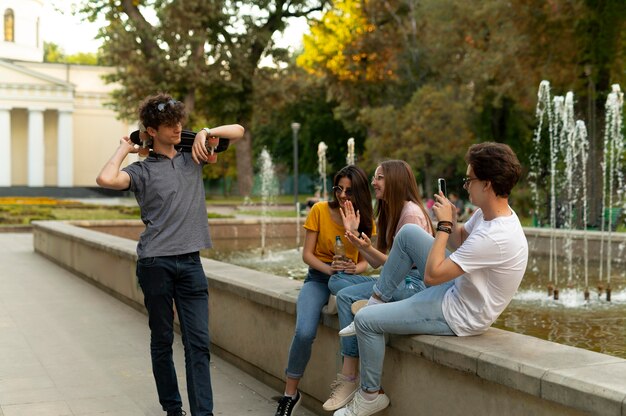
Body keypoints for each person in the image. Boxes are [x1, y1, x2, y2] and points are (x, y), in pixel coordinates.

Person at [333, 142, 528, 416]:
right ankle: (376, 301)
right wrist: (451, 220)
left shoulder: (495, 237)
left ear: (486, 184)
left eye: (469, 179)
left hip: (459, 313)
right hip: (459, 289)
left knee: (365, 322)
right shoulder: (490, 216)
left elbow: (433, 275)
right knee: (408, 235)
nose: (465, 185)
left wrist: (445, 226)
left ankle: (370, 395)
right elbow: (460, 238)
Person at [96, 93, 244, 416]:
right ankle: (173, 409)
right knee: (162, 340)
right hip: (155, 264)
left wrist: (206, 131)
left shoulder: (195, 155)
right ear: (151, 129)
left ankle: (203, 413)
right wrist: (126, 146)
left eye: (179, 121)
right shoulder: (141, 172)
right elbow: (105, 178)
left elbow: (238, 130)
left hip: (191, 263)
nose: (178, 127)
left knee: (199, 344)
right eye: (168, 123)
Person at [321, 160, 434, 411]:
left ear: (395, 180)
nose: (374, 182)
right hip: (399, 282)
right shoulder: (393, 211)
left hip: (415, 286)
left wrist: (367, 248)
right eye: (374, 177)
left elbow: (399, 270)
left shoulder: (412, 213)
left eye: (379, 177)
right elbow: (382, 266)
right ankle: (367, 306)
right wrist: (359, 243)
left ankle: (350, 377)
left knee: (346, 297)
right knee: (337, 279)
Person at [274, 165, 375, 416]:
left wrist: (354, 267)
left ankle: (350, 387)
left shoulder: (366, 218)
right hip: (320, 278)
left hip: (348, 280)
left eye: (349, 191)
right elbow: (307, 255)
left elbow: (368, 261)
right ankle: (290, 394)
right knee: (304, 332)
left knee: (358, 324)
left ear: (360, 192)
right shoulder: (319, 210)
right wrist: (330, 270)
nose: (342, 195)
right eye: (338, 188)